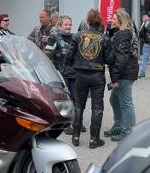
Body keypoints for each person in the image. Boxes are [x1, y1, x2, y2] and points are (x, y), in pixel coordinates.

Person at [70, 9, 109, 148]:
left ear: (88, 22)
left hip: (80, 74)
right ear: (100, 23)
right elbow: (109, 59)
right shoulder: (104, 38)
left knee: (79, 105)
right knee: (97, 108)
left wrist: (74, 67)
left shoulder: (78, 36)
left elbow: (69, 56)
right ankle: (94, 139)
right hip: (97, 75)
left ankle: (75, 137)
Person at [104, 9, 139, 141]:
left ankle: (128, 131)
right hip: (126, 71)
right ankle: (119, 125)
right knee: (114, 100)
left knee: (126, 103)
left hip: (124, 73)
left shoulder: (123, 35)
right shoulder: (126, 32)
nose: (111, 20)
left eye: (114, 19)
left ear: (120, 20)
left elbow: (122, 58)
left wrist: (114, 78)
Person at [49, 15, 76, 100]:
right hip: (62, 75)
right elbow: (47, 55)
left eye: (70, 25)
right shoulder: (54, 37)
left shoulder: (75, 37)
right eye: (66, 24)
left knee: (75, 99)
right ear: (60, 26)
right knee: (64, 99)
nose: (68, 26)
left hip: (74, 74)